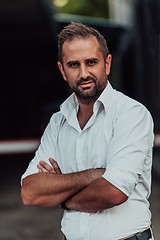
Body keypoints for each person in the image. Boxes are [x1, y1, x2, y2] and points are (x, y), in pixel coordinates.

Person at [21, 22, 154, 240]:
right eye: (73, 65)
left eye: (91, 62)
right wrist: (94, 175)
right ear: (62, 71)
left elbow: (113, 191)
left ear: (107, 63)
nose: (84, 73)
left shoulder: (131, 114)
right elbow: (30, 192)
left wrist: (61, 196)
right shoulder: (58, 122)